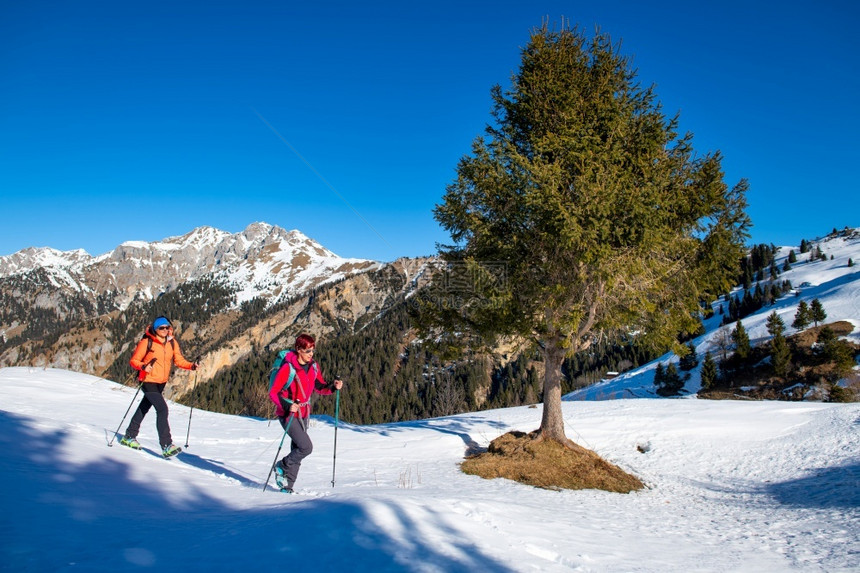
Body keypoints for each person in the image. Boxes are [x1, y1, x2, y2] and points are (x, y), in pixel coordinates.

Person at [269, 333, 343, 492]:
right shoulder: (288, 368)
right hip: (288, 415)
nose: (311, 354)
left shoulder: (313, 367)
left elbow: (319, 386)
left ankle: (287, 486)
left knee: (297, 449)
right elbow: (273, 393)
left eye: (312, 351)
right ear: (298, 350)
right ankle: (282, 465)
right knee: (305, 447)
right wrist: (287, 405)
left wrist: (332, 387)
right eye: (307, 351)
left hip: (303, 414)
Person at [120, 316, 198, 457]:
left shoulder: (172, 342)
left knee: (144, 407)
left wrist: (191, 366)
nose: (164, 330)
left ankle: (129, 436)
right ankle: (166, 445)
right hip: (147, 380)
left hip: (161, 382)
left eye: (167, 327)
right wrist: (143, 366)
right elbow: (134, 361)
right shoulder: (147, 342)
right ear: (155, 329)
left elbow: (178, 360)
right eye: (161, 328)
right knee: (162, 409)